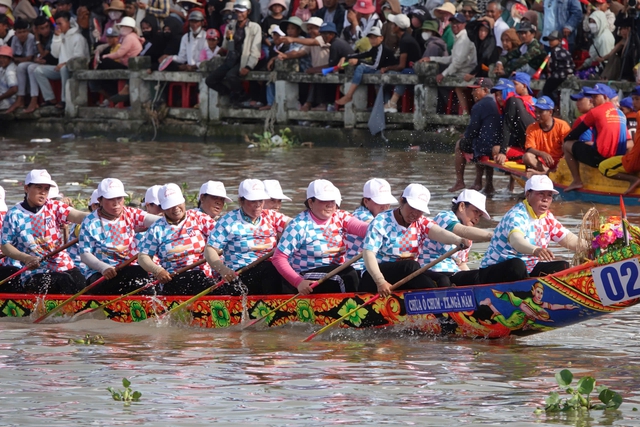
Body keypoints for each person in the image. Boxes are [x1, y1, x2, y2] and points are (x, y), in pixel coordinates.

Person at [360, 183, 469, 296]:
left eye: (419, 210)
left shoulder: (420, 222)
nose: (415, 214)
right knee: (411, 265)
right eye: (412, 207)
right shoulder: (381, 221)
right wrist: (380, 281)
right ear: (402, 201)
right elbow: (368, 254)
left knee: (442, 280)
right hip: (373, 278)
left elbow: (439, 232)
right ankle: (438, 304)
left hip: (406, 275)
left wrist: (458, 240)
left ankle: (442, 307)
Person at [479, 175, 587, 284]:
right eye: (541, 194)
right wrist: (535, 250)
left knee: (563, 266)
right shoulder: (516, 215)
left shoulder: (548, 217)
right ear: (528, 194)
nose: (545, 199)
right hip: (494, 270)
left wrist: (593, 247)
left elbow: (569, 239)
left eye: (549, 195)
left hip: (527, 269)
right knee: (517, 265)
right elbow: (517, 241)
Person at [273, 179, 369, 295]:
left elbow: (362, 228)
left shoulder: (340, 216)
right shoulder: (299, 225)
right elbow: (278, 258)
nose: (330, 204)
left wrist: (379, 229)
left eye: (332, 200)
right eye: (324, 200)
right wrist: (298, 282)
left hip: (333, 272)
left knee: (363, 274)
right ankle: (355, 308)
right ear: (310, 203)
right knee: (347, 274)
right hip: (306, 276)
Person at [1, 169, 89, 294]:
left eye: (46, 189)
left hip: (62, 265)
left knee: (81, 283)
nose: (43, 192)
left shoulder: (54, 207)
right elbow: (5, 246)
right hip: (34, 270)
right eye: (39, 188)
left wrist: (100, 216)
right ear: (26, 188)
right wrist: (26, 258)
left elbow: (78, 215)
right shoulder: (14, 215)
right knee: (63, 281)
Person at [206, 179, 290, 295]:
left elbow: (294, 225)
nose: (257, 205)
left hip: (269, 273)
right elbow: (210, 249)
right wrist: (223, 270)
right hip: (240, 275)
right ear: (241, 201)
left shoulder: (270, 216)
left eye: (260, 200)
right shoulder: (228, 221)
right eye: (252, 201)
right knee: (270, 268)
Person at [78, 178, 160, 295]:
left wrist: (172, 221)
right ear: (100, 200)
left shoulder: (131, 213)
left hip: (130, 270)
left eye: (119, 198)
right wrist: (103, 267)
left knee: (145, 273)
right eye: (111, 199)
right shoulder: (89, 222)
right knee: (138, 273)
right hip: (101, 275)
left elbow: (155, 220)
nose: (116, 203)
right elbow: (85, 254)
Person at [138, 183, 218, 295]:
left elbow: (222, 236)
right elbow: (143, 257)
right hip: (173, 279)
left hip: (204, 277)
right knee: (194, 277)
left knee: (198, 276)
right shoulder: (156, 229)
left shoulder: (199, 218)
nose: (175, 208)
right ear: (163, 207)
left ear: (183, 200)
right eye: (170, 205)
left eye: (177, 203)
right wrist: (158, 271)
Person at [563, 83, 630, 192]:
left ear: (604, 97)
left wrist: (565, 140)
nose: (592, 100)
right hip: (618, 158)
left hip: (600, 159)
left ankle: (576, 181)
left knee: (567, 145)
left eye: (595, 97)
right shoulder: (621, 113)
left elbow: (576, 133)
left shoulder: (595, 112)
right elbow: (629, 142)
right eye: (592, 97)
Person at [419, 189, 493, 287]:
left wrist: (476, 280)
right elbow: (462, 230)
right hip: (429, 270)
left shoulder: (469, 237)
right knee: (444, 281)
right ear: (462, 206)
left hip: (452, 273)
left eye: (479, 216)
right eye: (475, 212)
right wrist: (492, 236)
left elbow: (461, 264)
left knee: (481, 276)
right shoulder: (444, 217)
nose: (477, 218)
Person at [449, 77, 501, 194]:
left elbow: (472, 130)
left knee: (459, 145)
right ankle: (488, 184)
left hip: (486, 146)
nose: (472, 93)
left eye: (475, 90)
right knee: (478, 141)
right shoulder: (499, 101)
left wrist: (466, 136)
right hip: (499, 144)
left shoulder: (479, 106)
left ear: (486, 90)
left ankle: (460, 181)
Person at [205, 0, 262, 105]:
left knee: (231, 75)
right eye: (237, 12)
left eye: (242, 12)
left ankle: (242, 96)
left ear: (248, 12)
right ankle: (233, 94)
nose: (239, 14)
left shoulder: (255, 27)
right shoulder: (230, 26)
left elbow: (255, 50)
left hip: (244, 59)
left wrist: (249, 66)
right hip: (231, 58)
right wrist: (227, 37)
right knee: (210, 80)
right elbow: (226, 47)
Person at [419, 13, 476, 114]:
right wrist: (432, 58)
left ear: (464, 24)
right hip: (459, 72)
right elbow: (451, 59)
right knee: (437, 81)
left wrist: (443, 74)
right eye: (453, 22)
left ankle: (458, 113)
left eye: (457, 23)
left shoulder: (464, 39)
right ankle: (452, 112)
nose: (454, 25)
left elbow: (457, 63)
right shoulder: (458, 38)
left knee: (437, 82)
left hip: (465, 73)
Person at [32, 11, 89, 111]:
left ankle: (64, 100)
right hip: (61, 68)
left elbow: (79, 59)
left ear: (68, 23)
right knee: (38, 70)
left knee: (63, 69)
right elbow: (55, 54)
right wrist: (57, 37)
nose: (57, 26)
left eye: (60, 23)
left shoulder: (78, 38)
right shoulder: (60, 35)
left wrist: (64, 64)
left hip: (73, 69)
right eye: (56, 24)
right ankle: (50, 98)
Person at [345, 178, 398, 274]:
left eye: (387, 202)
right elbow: (377, 227)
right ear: (366, 201)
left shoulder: (384, 216)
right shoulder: (360, 215)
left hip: (376, 264)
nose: (384, 206)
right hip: (358, 267)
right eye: (379, 202)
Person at [334, 26, 396, 106]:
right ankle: (378, 105)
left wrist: (358, 62)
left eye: (375, 38)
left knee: (360, 67)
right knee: (360, 67)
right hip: (379, 71)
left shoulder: (382, 48)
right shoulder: (375, 48)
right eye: (370, 38)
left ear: (381, 38)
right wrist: (346, 57)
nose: (372, 40)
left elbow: (375, 66)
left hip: (387, 72)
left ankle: (349, 95)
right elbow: (363, 54)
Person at [596, 85, 640, 194]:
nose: (634, 102)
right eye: (633, 99)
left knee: (603, 167)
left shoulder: (638, 114)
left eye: (637, 99)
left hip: (635, 160)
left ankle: (634, 180)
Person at [491, 73, 536, 167]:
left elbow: (507, 126)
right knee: (497, 148)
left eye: (515, 84)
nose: (498, 98)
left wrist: (502, 152)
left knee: (496, 150)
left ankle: (530, 158)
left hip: (533, 149)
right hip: (527, 145)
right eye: (496, 95)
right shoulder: (518, 101)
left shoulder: (512, 101)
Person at [380, 13, 422, 113]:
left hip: (412, 72)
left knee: (391, 75)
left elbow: (401, 66)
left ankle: (392, 103)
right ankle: (388, 104)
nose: (391, 26)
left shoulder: (405, 40)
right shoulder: (405, 38)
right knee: (383, 79)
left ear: (397, 27)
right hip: (409, 70)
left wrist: (387, 68)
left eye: (393, 24)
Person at [522, 96, 571, 175]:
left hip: (560, 163)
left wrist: (560, 163)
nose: (537, 115)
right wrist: (542, 154)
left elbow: (567, 149)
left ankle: (547, 173)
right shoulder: (531, 128)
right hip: (542, 164)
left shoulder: (563, 125)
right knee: (527, 157)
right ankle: (547, 172)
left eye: (540, 112)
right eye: (536, 111)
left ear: (550, 112)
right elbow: (529, 148)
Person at [541, 31, 575, 104]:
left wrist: (548, 64)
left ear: (559, 40)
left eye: (552, 40)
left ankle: (554, 106)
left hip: (560, 75)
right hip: (568, 74)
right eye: (549, 40)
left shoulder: (555, 51)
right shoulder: (565, 50)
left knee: (546, 90)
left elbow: (553, 67)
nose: (550, 42)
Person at [465, 16, 499, 81]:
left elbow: (484, 59)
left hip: (489, 72)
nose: (482, 33)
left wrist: (472, 74)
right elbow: (468, 27)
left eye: (485, 31)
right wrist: (479, 20)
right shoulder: (477, 39)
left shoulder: (490, 41)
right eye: (481, 30)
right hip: (480, 69)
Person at [0, 44, 17, 111]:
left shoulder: (10, 72)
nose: (1, 60)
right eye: (0, 57)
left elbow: (14, 89)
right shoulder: (3, 68)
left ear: (10, 59)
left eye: (4, 58)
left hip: (8, 100)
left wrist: (0, 97)